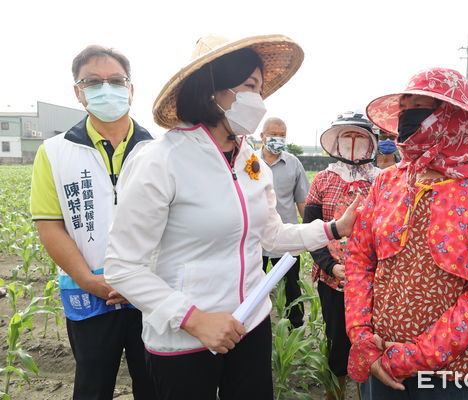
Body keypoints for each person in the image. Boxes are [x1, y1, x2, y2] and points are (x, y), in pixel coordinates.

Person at [102, 34, 357, 400]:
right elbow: (122, 265)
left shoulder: (249, 160)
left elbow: (268, 235)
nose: (260, 100)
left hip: (250, 325)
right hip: (185, 338)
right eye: (250, 86)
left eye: (260, 88)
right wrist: (194, 319)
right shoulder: (160, 160)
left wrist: (335, 229)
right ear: (213, 90)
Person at [344, 67, 468, 400]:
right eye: (404, 107)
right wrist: (362, 337)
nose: (407, 116)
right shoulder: (388, 182)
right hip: (380, 362)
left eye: (420, 105)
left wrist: (416, 356)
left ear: (452, 115)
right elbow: (359, 259)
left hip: (456, 375)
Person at [29, 45, 156, 400]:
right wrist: (89, 280)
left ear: (131, 89)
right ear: (78, 92)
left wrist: (142, 281)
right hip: (88, 293)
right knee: (92, 384)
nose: (106, 89)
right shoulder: (54, 152)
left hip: (150, 292)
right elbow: (50, 224)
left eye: (116, 81)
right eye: (93, 82)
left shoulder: (159, 151)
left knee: (156, 383)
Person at [303, 111, 380, 399]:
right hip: (333, 279)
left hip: (375, 281)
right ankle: (335, 393)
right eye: (346, 136)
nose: (352, 142)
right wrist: (331, 266)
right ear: (335, 141)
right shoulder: (323, 180)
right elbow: (311, 231)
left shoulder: (383, 180)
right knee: (338, 341)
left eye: (359, 136)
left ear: (371, 141)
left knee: (372, 341)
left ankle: (369, 392)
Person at [259, 116, 309, 329]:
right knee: (254, 288)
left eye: (282, 135)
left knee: (292, 286)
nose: (277, 139)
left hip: (286, 237)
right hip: (256, 238)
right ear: (262, 136)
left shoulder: (293, 163)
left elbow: (302, 201)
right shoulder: (249, 162)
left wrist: (308, 233)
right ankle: (256, 327)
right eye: (273, 135)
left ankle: (296, 328)